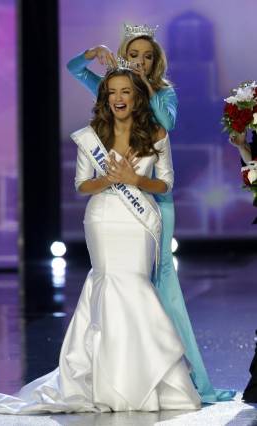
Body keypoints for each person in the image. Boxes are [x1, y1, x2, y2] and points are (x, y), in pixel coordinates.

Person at [0, 67, 201, 414]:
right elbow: (82, 184)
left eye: (125, 91)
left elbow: (166, 183)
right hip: (103, 218)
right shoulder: (93, 134)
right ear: (105, 97)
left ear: (137, 96)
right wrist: (109, 180)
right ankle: (105, 380)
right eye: (112, 92)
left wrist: (133, 179)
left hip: (138, 222)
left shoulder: (156, 132)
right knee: (108, 283)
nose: (119, 98)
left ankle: (145, 378)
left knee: (134, 285)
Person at [67, 24, 236, 403]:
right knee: (130, 289)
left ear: (156, 61)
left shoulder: (163, 93)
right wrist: (92, 53)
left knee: (163, 289)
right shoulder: (115, 89)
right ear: (126, 54)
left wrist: (144, 85)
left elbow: (167, 125)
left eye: (147, 56)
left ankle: (194, 382)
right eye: (134, 54)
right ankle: (127, 368)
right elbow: (74, 70)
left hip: (155, 203)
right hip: (115, 205)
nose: (140, 61)